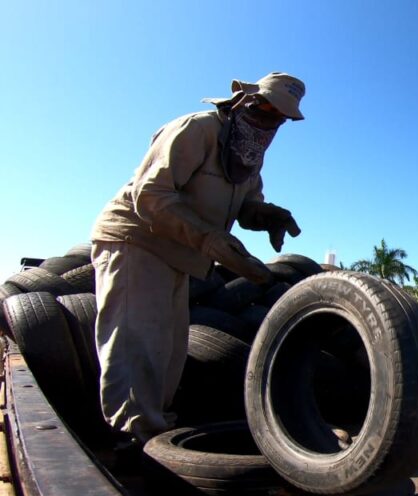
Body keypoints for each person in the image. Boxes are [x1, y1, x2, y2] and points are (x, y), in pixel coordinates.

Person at [90, 72, 306, 455]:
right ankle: (129, 439)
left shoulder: (248, 155)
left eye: (279, 117)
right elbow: (152, 195)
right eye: (265, 107)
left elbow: (244, 205)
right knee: (139, 344)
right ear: (243, 100)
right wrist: (211, 240)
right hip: (137, 241)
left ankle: (152, 435)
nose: (268, 119)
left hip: (181, 255)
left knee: (169, 353)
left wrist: (265, 215)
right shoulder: (197, 129)